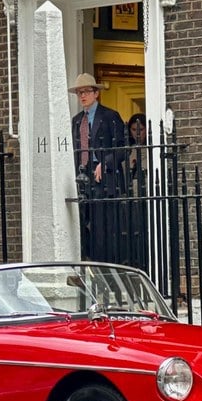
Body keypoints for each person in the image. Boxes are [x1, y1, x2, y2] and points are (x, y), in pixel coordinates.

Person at [69, 73, 126, 261]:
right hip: (83, 177)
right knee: (82, 226)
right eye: (79, 93)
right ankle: (87, 264)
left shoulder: (109, 116)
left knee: (103, 230)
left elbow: (123, 148)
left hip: (104, 179)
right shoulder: (77, 120)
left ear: (96, 93)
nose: (82, 96)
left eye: (86, 91)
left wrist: (105, 162)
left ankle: (105, 268)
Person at [126, 113, 149, 269]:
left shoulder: (150, 148)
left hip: (147, 196)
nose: (138, 133)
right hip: (131, 197)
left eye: (141, 129)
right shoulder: (127, 150)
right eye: (134, 129)